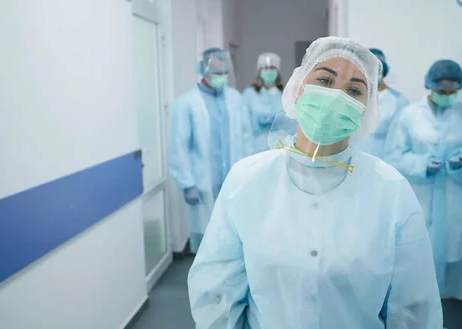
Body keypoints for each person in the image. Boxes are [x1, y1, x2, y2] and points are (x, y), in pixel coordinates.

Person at [187, 37, 443, 329]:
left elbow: (414, 307)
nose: (336, 96)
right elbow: (216, 294)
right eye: (324, 80)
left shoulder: (391, 190)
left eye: (354, 90)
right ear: (297, 89)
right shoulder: (246, 180)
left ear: (366, 110)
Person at [383, 59, 462, 299]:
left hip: (454, 197)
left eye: (453, 91)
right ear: (430, 86)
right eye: (442, 91)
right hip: (419, 196)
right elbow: (392, 156)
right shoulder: (409, 116)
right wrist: (422, 164)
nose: (447, 95)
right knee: (415, 259)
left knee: (453, 256)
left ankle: (448, 307)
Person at [167, 47, 251, 253]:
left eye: (224, 73)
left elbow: (246, 136)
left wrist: (250, 171)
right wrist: (187, 184)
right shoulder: (186, 103)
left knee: (235, 235)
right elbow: (179, 146)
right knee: (207, 239)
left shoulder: (235, 98)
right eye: (216, 73)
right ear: (204, 72)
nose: (222, 77)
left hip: (233, 180)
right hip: (203, 184)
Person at [351, 48, 409, 158]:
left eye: (376, 70)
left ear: (383, 70)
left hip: (385, 158)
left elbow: (401, 136)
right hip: (353, 155)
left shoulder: (398, 100)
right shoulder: (354, 94)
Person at [242, 53, 284, 154]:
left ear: (277, 71)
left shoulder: (284, 95)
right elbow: (244, 126)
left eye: (272, 68)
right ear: (259, 71)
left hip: (278, 150)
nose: (269, 71)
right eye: (265, 68)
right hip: (255, 150)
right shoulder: (249, 95)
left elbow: (290, 124)